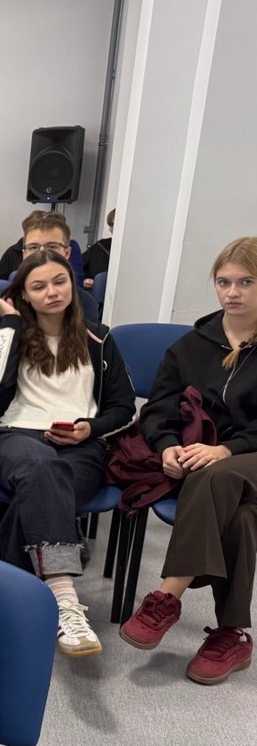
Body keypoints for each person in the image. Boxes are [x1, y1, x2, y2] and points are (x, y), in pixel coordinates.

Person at [0, 249, 135, 657]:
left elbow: (123, 407)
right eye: (39, 286)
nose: (52, 292)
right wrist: (9, 322)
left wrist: (90, 429)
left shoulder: (100, 338)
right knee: (42, 468)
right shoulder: (12, 332)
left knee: (40, 489)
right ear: (24, 295)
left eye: (59, 281)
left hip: (81, 444)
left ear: (72, 283)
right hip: (16, 436)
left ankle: (12, 608)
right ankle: (64, 599)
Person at [118, 237, 257, 684]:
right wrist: (166, 447)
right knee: (240, 517)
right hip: (207, 468)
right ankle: (232, 635)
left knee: (214, 476)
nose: (232, 292)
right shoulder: (191, 345)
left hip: (246, 457)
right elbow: (157, 409)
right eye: (224, 282)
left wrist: (227, 449)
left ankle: (167, 595)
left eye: (246, 282)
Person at [0, 212, 100, 500]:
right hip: (3, 385)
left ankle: (22, 482)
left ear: (66, 253)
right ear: (24, 253)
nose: (41, 253)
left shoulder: (82, 303)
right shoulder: (4, 300)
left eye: (51, 247)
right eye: (33, 247)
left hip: (49, 392)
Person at [82, 208, 115, 288]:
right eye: (110, 225)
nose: (110, 229)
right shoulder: (100, 246)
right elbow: (78, 268)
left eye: (113, 225)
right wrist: (84, 280)